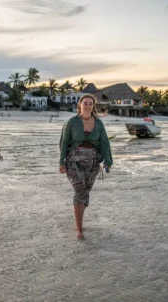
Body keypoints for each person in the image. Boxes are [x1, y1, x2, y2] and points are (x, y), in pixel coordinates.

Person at [59, 94, 113, 239]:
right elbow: (64, 142)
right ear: (80, 105)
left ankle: (80, 217)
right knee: (80, 191)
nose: (87, 105)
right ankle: (79, 229)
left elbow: (105, 143)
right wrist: (61, 161)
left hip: (93, 163)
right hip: (73, 161)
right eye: (85, 103)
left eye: (90, 103)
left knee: (85, 193)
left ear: (93, 106)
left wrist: (108, 161)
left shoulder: (99, 123)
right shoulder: (72, 122)